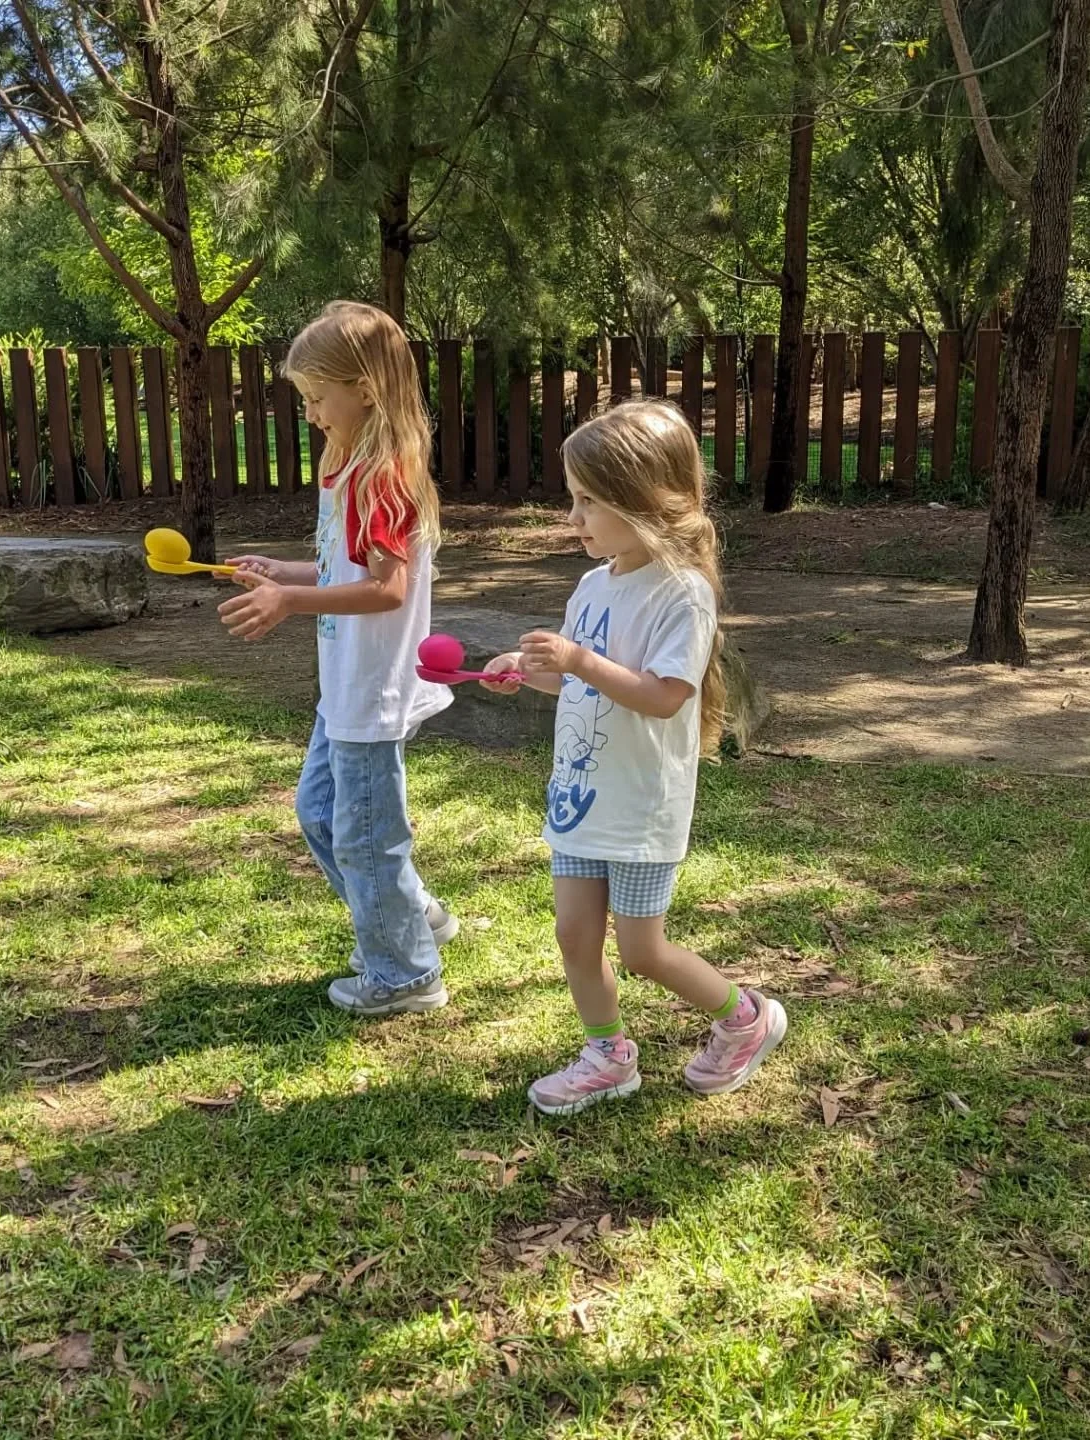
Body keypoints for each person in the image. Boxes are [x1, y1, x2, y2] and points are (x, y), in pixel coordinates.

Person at [482, 399, 786, 1114]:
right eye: (573, 500)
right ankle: (608, 1055)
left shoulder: (682, 594)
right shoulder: (594, 583)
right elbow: (574, 675)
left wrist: (579, 661)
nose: (573, 518)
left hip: (642, 803)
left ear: (644, 502)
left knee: (643, 952)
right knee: (574, 935)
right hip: (582, 794)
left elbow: (661, 696)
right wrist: (527, 670)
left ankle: (746, 1018)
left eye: (588, 501)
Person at [218, 300, 456, 1016]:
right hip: (344, 688)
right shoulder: (345, 467)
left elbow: (386, 590)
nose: (312, 413)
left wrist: (290, 605)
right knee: (322, 815)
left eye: (318, 398)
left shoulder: (382, 477)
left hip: (373, 690)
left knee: (365, 836)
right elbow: (343, 571)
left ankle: (407, 973)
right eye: (306, 399)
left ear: (366, 390)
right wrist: (284, 573)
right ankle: (414, 918)